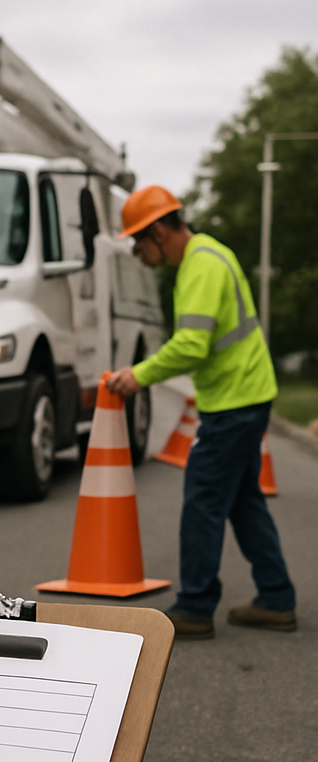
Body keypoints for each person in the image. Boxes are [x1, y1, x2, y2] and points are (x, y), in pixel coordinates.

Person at [108, 185, 295, 639]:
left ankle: (194, 606)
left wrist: (140, 374)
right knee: (243, 502)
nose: (136, 253)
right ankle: (275, 597)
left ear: (157, 231)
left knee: (203, 502)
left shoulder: (201, 266)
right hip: (244, 396)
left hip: (234, 403)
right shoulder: (209, 254)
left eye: (137, 242)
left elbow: (192, 345)